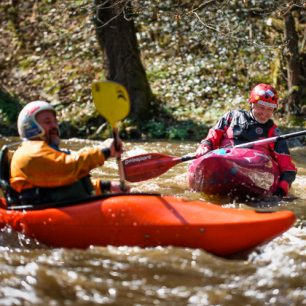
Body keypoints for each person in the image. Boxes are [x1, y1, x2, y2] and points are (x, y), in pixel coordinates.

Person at [9, 100, 129, 205]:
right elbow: (68, 167)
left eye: (55, 121)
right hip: (47, 212)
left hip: (62, 208)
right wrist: (105, 152)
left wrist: (106, 186)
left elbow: (65, 183)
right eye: (47, 122)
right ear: (30, 127)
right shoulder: (31, 152)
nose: (54, 126)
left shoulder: (47, 151)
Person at [195, 83, 297, 197]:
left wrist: (282, 190)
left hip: (254, 168)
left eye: (269, 109)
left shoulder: (273, 132)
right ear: (252, 103)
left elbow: (288, 169)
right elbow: (211, 138)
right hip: (224, 159)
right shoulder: (231, 117)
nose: (264, 113)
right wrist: (205, 146)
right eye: (261, 107)